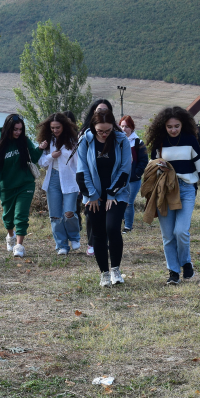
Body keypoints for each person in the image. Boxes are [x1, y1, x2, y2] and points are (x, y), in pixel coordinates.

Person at [147, 106, 200, 285]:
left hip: (186, 189)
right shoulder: (159, 142)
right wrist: (157, 166)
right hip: (165, 190)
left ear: (182, 124)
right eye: (169, 127)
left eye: (176, 126)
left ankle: (186, 262)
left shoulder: (191, 140)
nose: (173, 130)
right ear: (164, 127)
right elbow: (151, 164)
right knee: (168, 235)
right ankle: (173, 272)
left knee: (181, 231)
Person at [76, 109, 132, 287]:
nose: (104, 134)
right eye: (100, 131)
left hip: (117, 193)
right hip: (92, 195)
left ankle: (116, 269)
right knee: (98, 234)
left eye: (107, 130)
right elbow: (81, 171)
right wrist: (91, 195)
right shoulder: (85, 140)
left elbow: (125, 170)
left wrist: (111, 193)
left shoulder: (121, 140)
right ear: (93, 127)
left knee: (113, 228)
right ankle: (104, 273)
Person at [0, 114, 43, 257]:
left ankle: (19, 246)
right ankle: (10, 236)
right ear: (8, 128)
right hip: (7, 187)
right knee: (8, 219)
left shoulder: (24, 141)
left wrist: (40, 148)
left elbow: (34, 157)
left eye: (20, 129)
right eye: (15, 129)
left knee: (21, 215)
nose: (18, 132)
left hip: (25, 184)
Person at [37, 113, 80, 255]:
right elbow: (41, 163)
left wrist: (81, 182)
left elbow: (78, 163)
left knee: (69, 213)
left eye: (57, 127)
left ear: (64, 126)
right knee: (55, 215)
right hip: (53, 179)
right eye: (52, 128)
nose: (55, 130)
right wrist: (50, 155)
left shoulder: (73, 141)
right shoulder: (47, 142)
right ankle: (61, 245)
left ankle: (74, 237)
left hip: (70, 180)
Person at [79, 99, 113, 256]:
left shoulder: (115, 135)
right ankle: (92, 242)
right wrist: (87, 190)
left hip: (109, 182)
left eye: (105, 111)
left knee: (107, 214)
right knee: (91, 212)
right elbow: (81, 164)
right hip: (88, 182)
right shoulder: (85, 134)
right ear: (93, 112)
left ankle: (103, 242)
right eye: (99, 110)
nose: (102, 113)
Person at [119, 115, 148, 234]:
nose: (124, 129)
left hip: (133, 179)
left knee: (128, 202)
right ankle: (120, 221)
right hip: (120, 178)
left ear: (132, 128)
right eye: (122, 126)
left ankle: (128, 226)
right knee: (120, 201)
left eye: (127, 126)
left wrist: (137, 173)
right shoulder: (117, 141)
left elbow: (144, 160)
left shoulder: (138, 142)